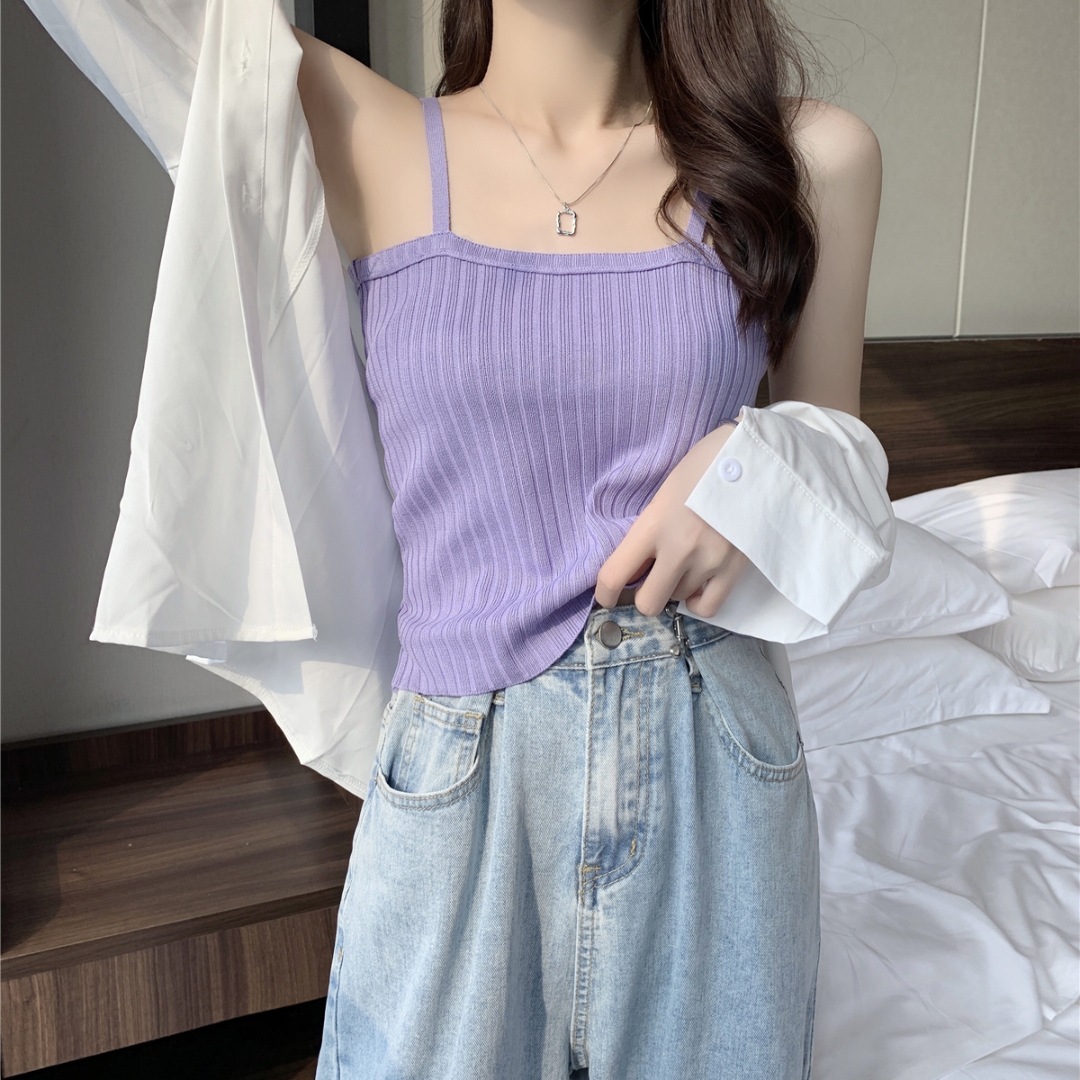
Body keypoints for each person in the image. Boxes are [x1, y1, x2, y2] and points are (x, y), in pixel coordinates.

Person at [24, 0, 891, 1076]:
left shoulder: (807, 156)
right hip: (463, 761)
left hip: (716, 750)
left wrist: (759, 465)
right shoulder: (356, 127)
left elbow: (845, 457)